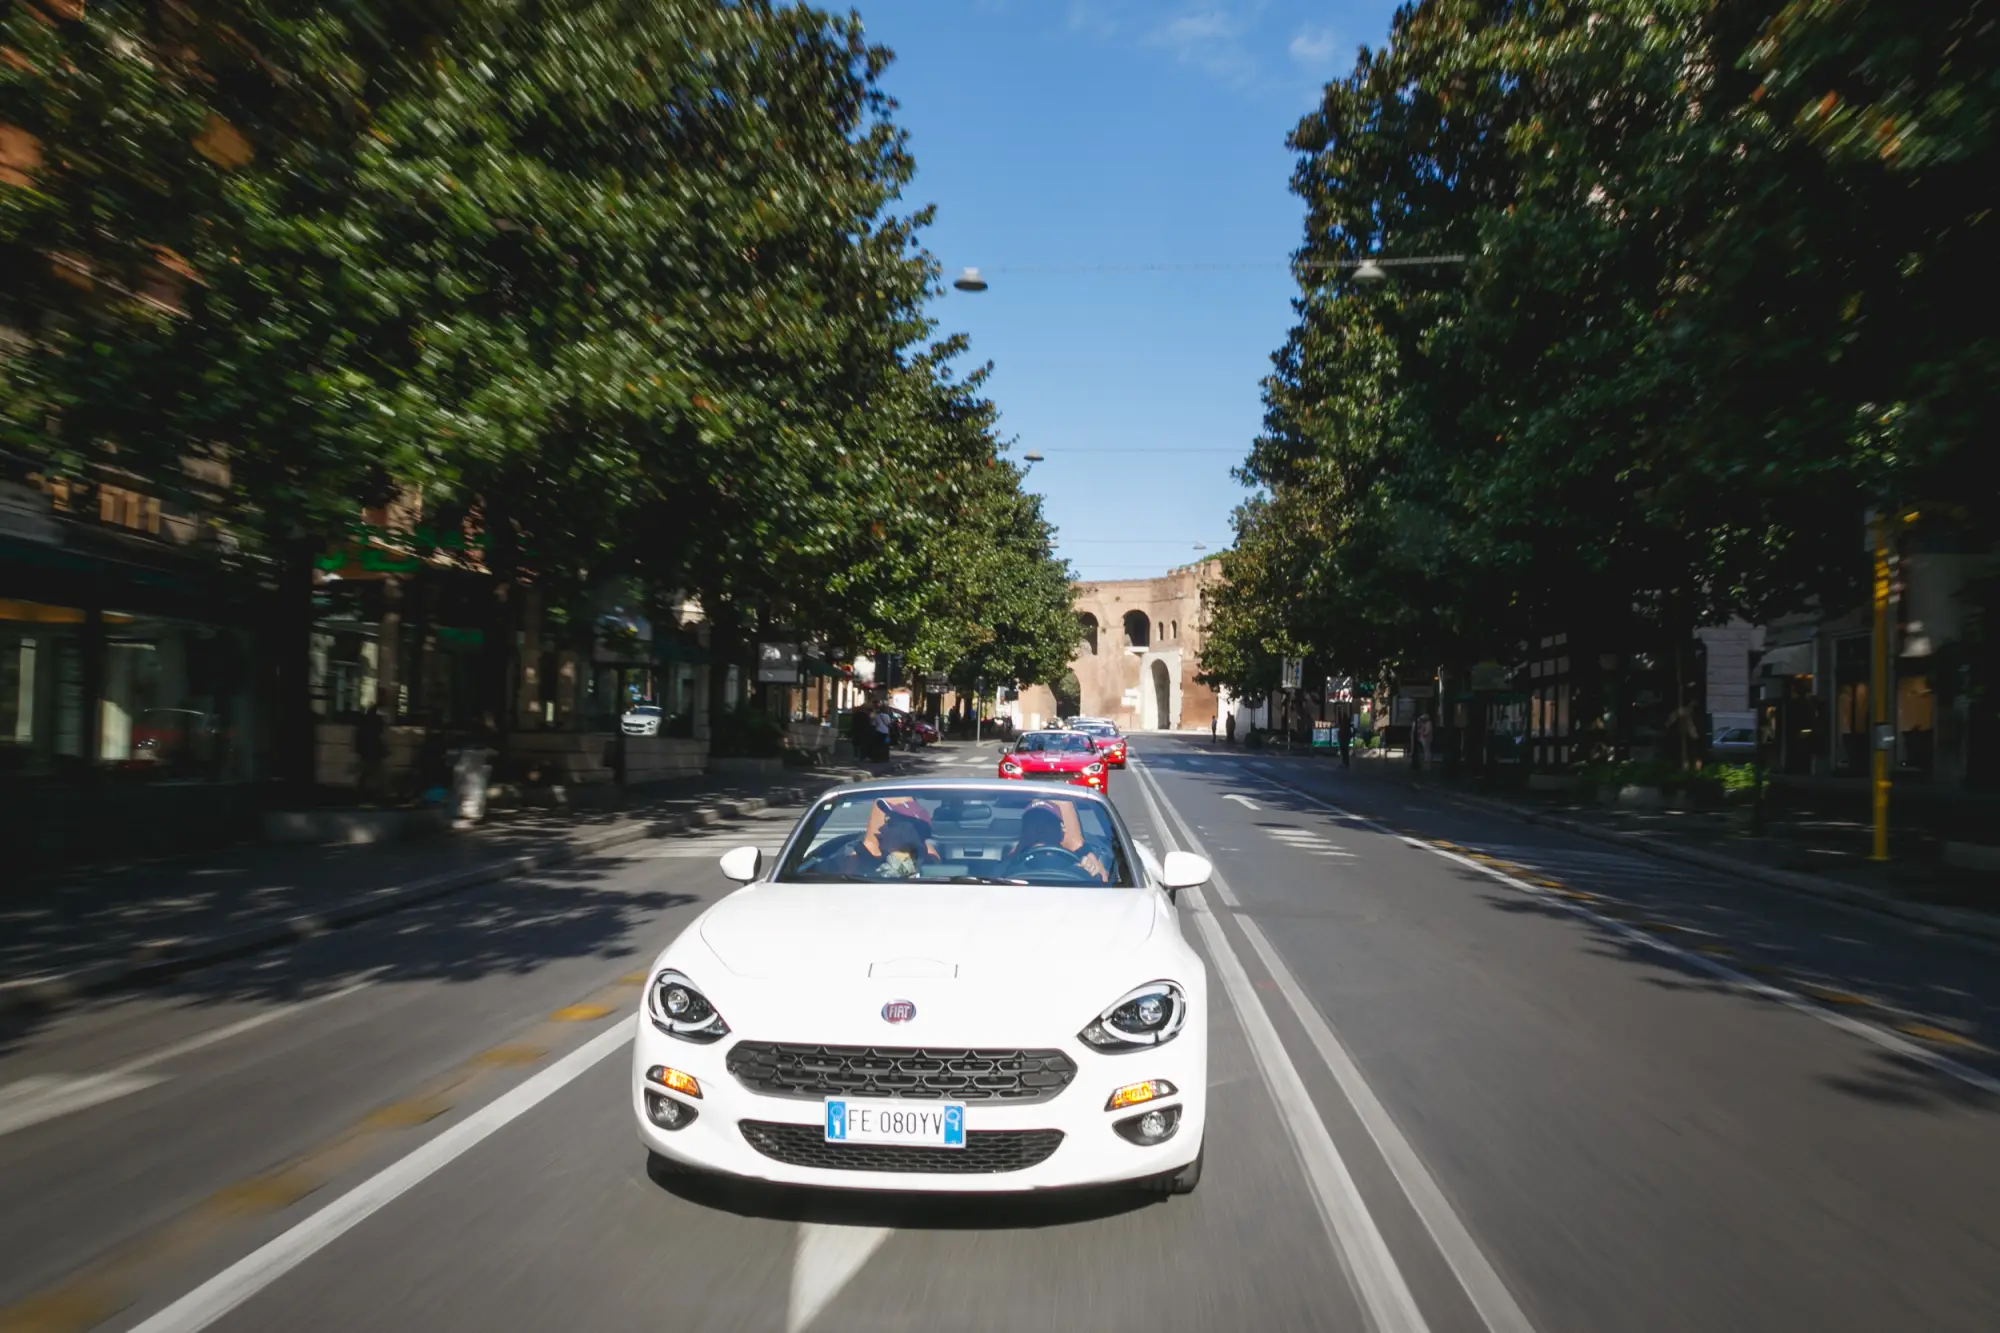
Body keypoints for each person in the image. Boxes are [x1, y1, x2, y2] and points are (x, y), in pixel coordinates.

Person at [816, 796, 942, 878]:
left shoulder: (889, 870)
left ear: (907, 832)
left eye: (890, 823)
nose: (881, 828)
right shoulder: (929, 862)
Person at [1002, 800, 1110, 882]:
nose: (1040, 828)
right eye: (1033, 822)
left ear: (1062, 827)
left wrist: (1090, 869)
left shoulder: (1081, 862)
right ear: (1024, 830)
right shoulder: (1009, 864)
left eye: (1048, 822)